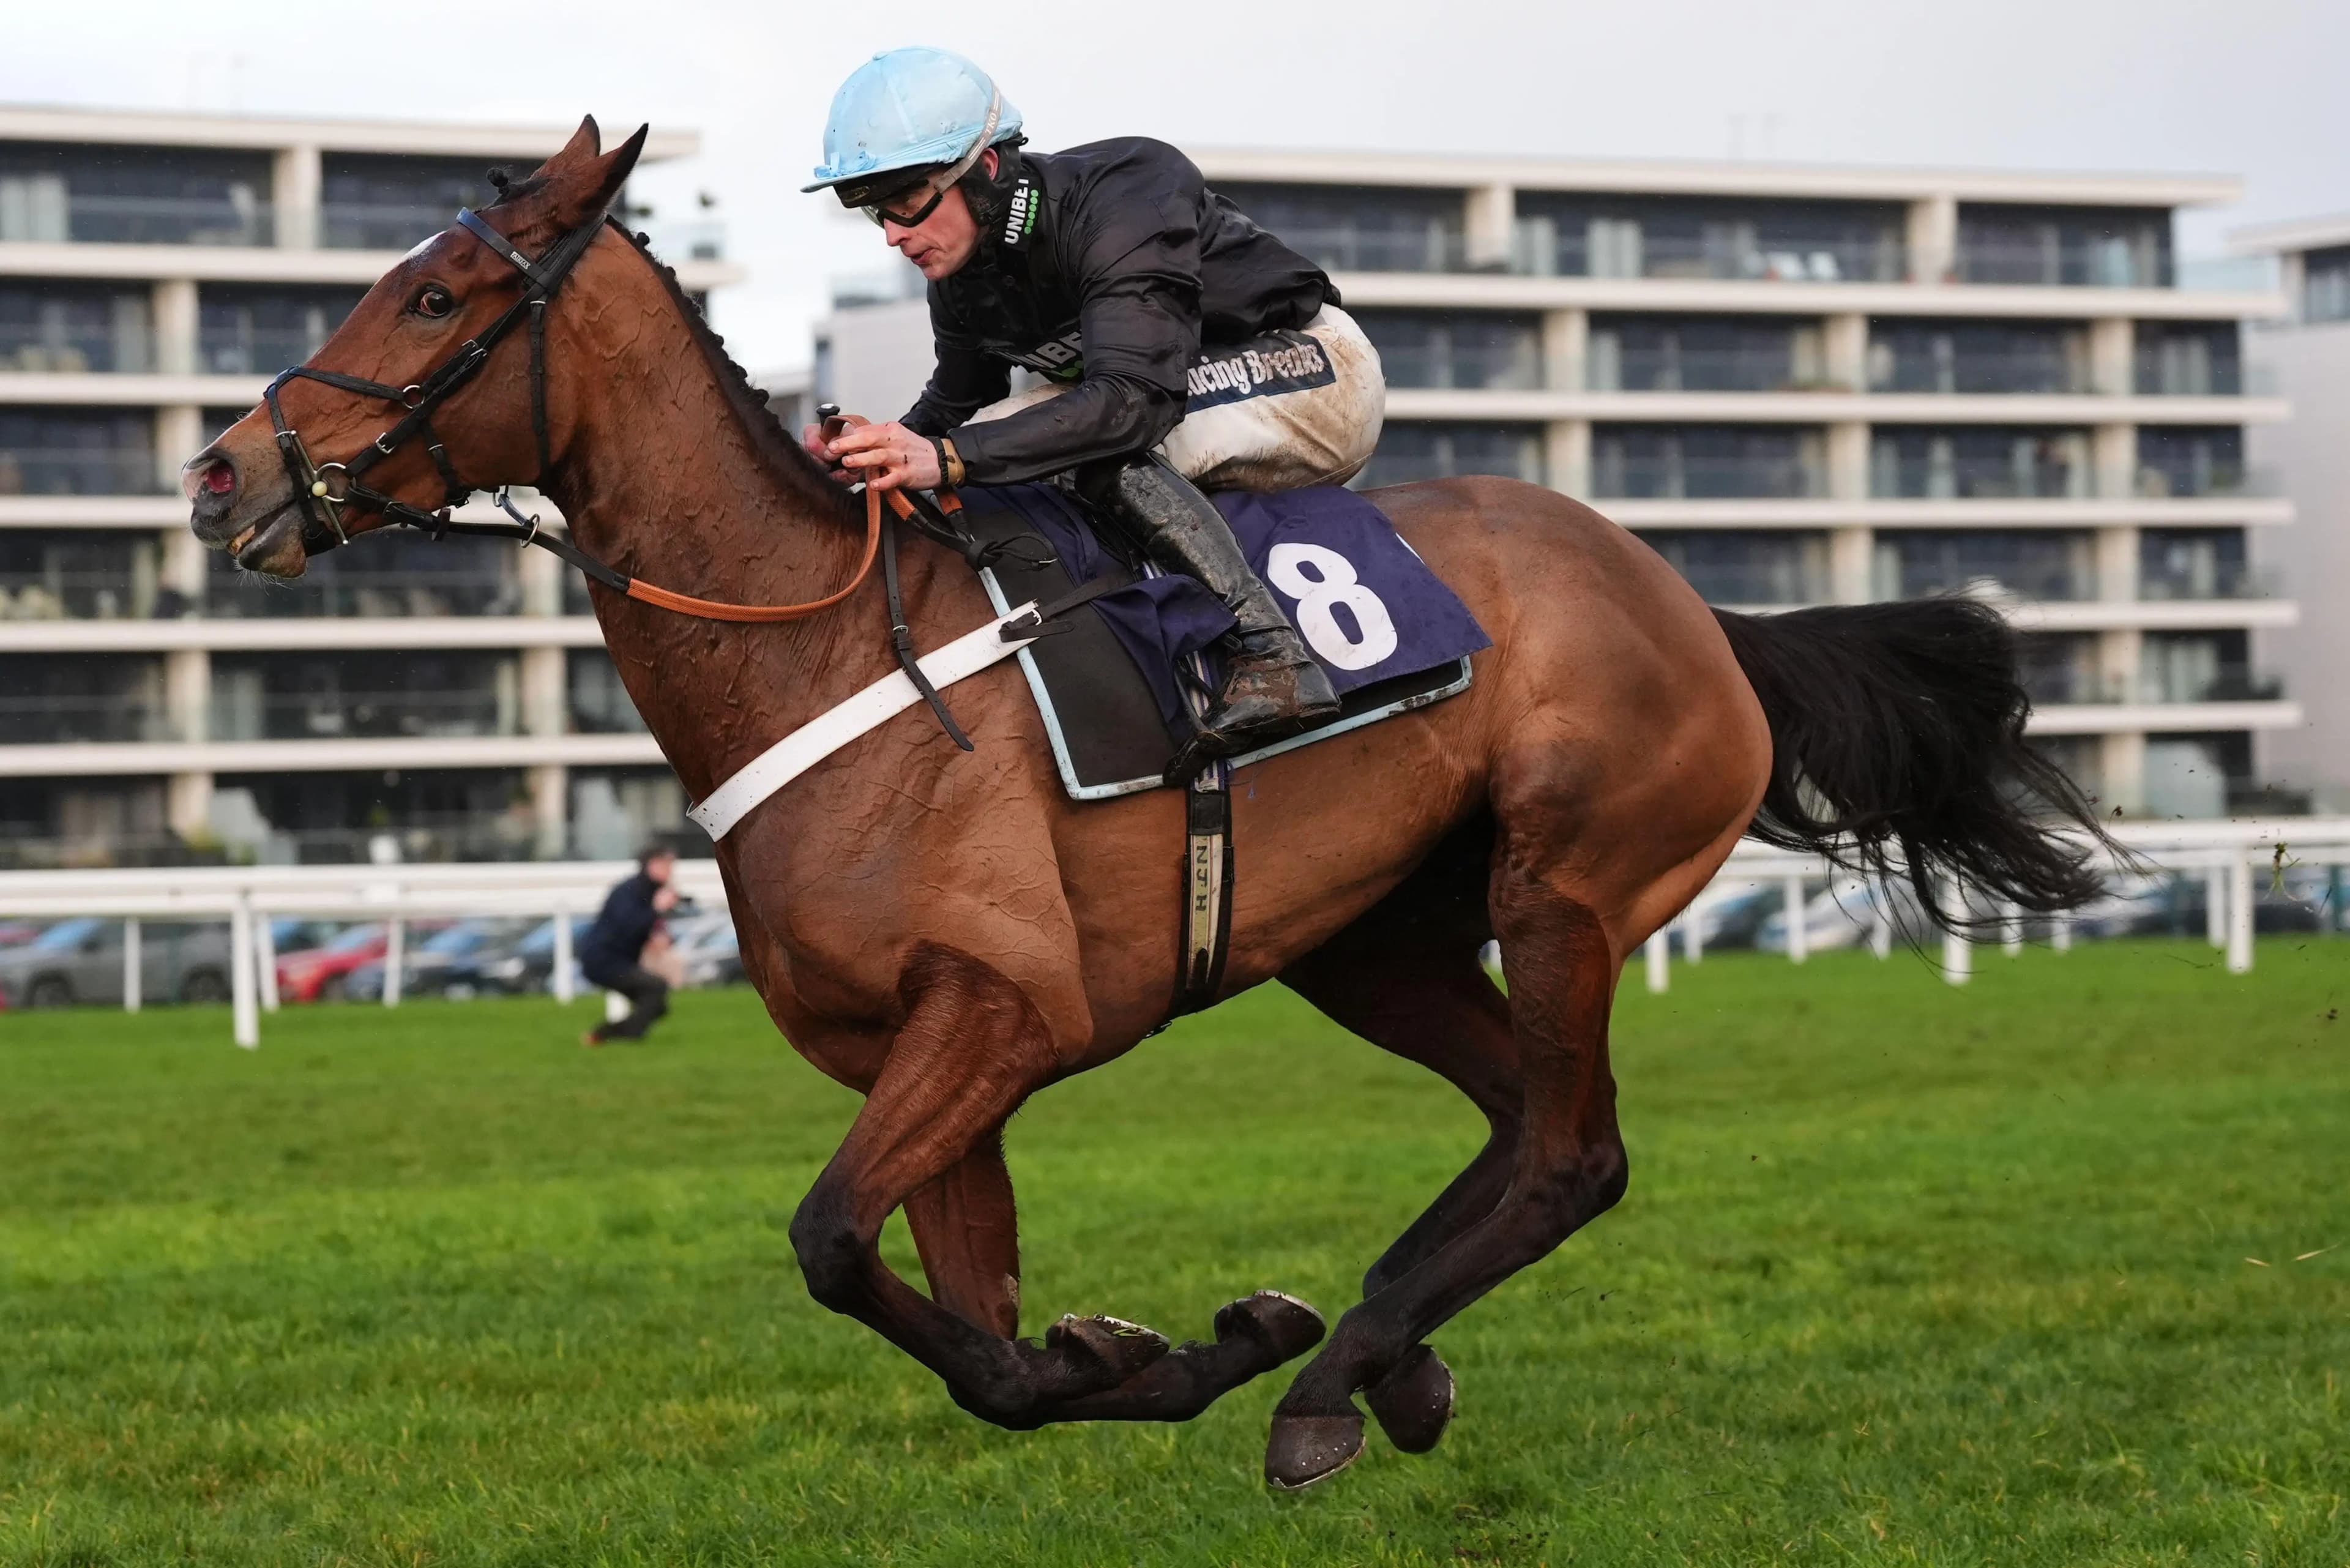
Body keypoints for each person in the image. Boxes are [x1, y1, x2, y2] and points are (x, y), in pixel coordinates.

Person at [800, 47, 1387, 774]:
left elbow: (1134, 405)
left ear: (984, 170)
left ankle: (1271, 655)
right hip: (1189, 400)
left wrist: (946, 455)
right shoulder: (958, 273)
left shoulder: (1125, 190)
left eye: (907, 200)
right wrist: (878, 446)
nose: (893, 233)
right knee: (1003, 439)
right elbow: (959, 403)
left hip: (1314, 367)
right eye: (871, 210)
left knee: (1068, 436)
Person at [578, 846, 679, 1046]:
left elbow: (642, 927)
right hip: (603, 960)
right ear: (652, 865)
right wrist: (657, 909)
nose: (671, 871)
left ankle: (600, 1036)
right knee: (656, 989)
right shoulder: (630, 890)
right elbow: (629, 925)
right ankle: (621, 1036)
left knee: (657, 1006)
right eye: (667, 865)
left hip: (616, 959)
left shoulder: (649, 891)